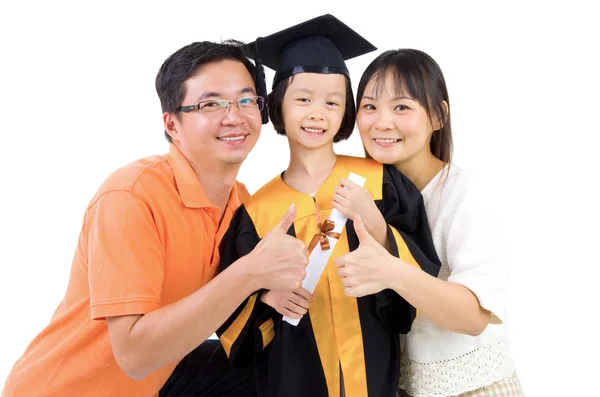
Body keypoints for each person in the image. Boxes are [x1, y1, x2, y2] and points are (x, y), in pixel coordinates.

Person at [1, 40, 309, 397]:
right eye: (211, 103)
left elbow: (232, 309)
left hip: (156, 383)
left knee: (280, 364)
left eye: (245, 100)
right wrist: (251, 272)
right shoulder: (130, 196)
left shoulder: (242, 203)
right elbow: (134, 355)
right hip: (67, 390)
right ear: (172, 124)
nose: (234, 116)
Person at [166, 15, 442, 397]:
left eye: (333, 102)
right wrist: (267, 302)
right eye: (303, 99)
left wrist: (377, 225)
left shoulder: (380, 183)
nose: (318, 113)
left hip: (376, 380)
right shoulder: (256, 214)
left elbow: (424, 282)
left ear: (347, 112)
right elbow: (233, 333)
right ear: (277, 105)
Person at [334, 48, 524, 397]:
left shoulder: (464, 193)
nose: (382, 122)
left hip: (473, 388)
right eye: (370, 106)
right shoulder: (360, 193)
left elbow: (473, 317)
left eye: (402, 106)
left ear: (438, 115)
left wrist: (390, 269)